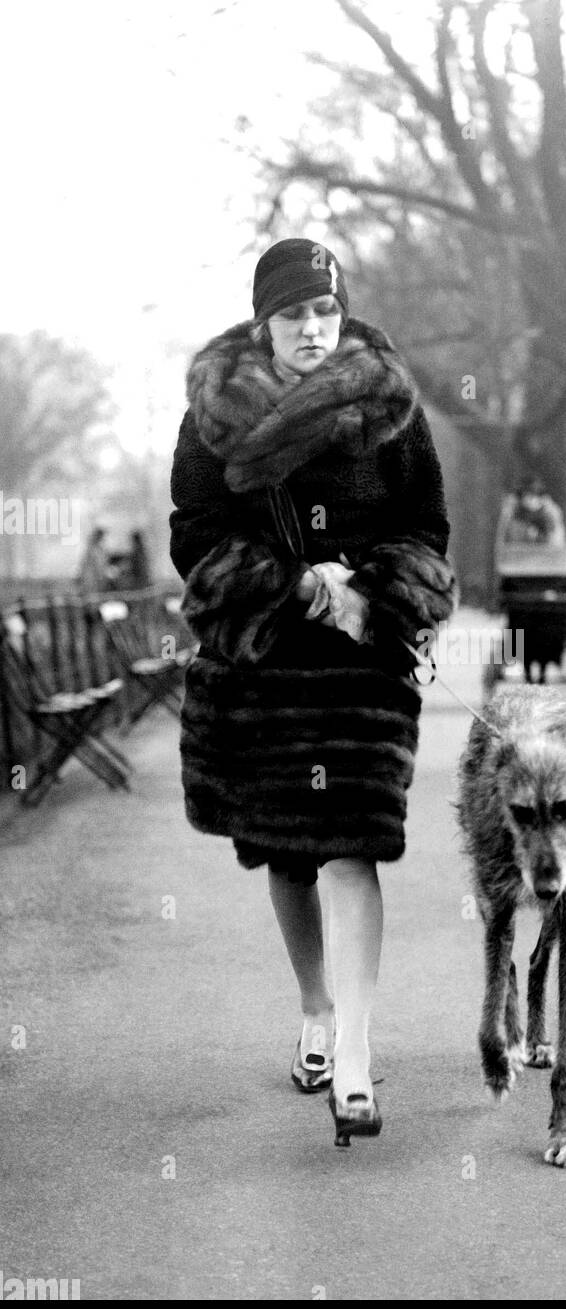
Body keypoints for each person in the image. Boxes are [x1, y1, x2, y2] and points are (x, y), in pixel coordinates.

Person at [169, 238, 455, 1142]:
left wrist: (371, 591)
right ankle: (317, 1012)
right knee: (287, 853)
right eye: (294, 314)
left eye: (324, 312)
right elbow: (196, 535)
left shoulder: (390, 410)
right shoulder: (214, 418)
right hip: (265, 663)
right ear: (265, 322)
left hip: (361, 662)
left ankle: (360, 1061)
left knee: (353, 847)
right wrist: (296, 585)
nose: (312, 329)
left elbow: (428, 528)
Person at [76, 525, 110, 592]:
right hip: (91, 578)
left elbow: (102, 564)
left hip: (97, 578)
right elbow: (88, 564)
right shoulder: (92, 549)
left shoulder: (100, 549)